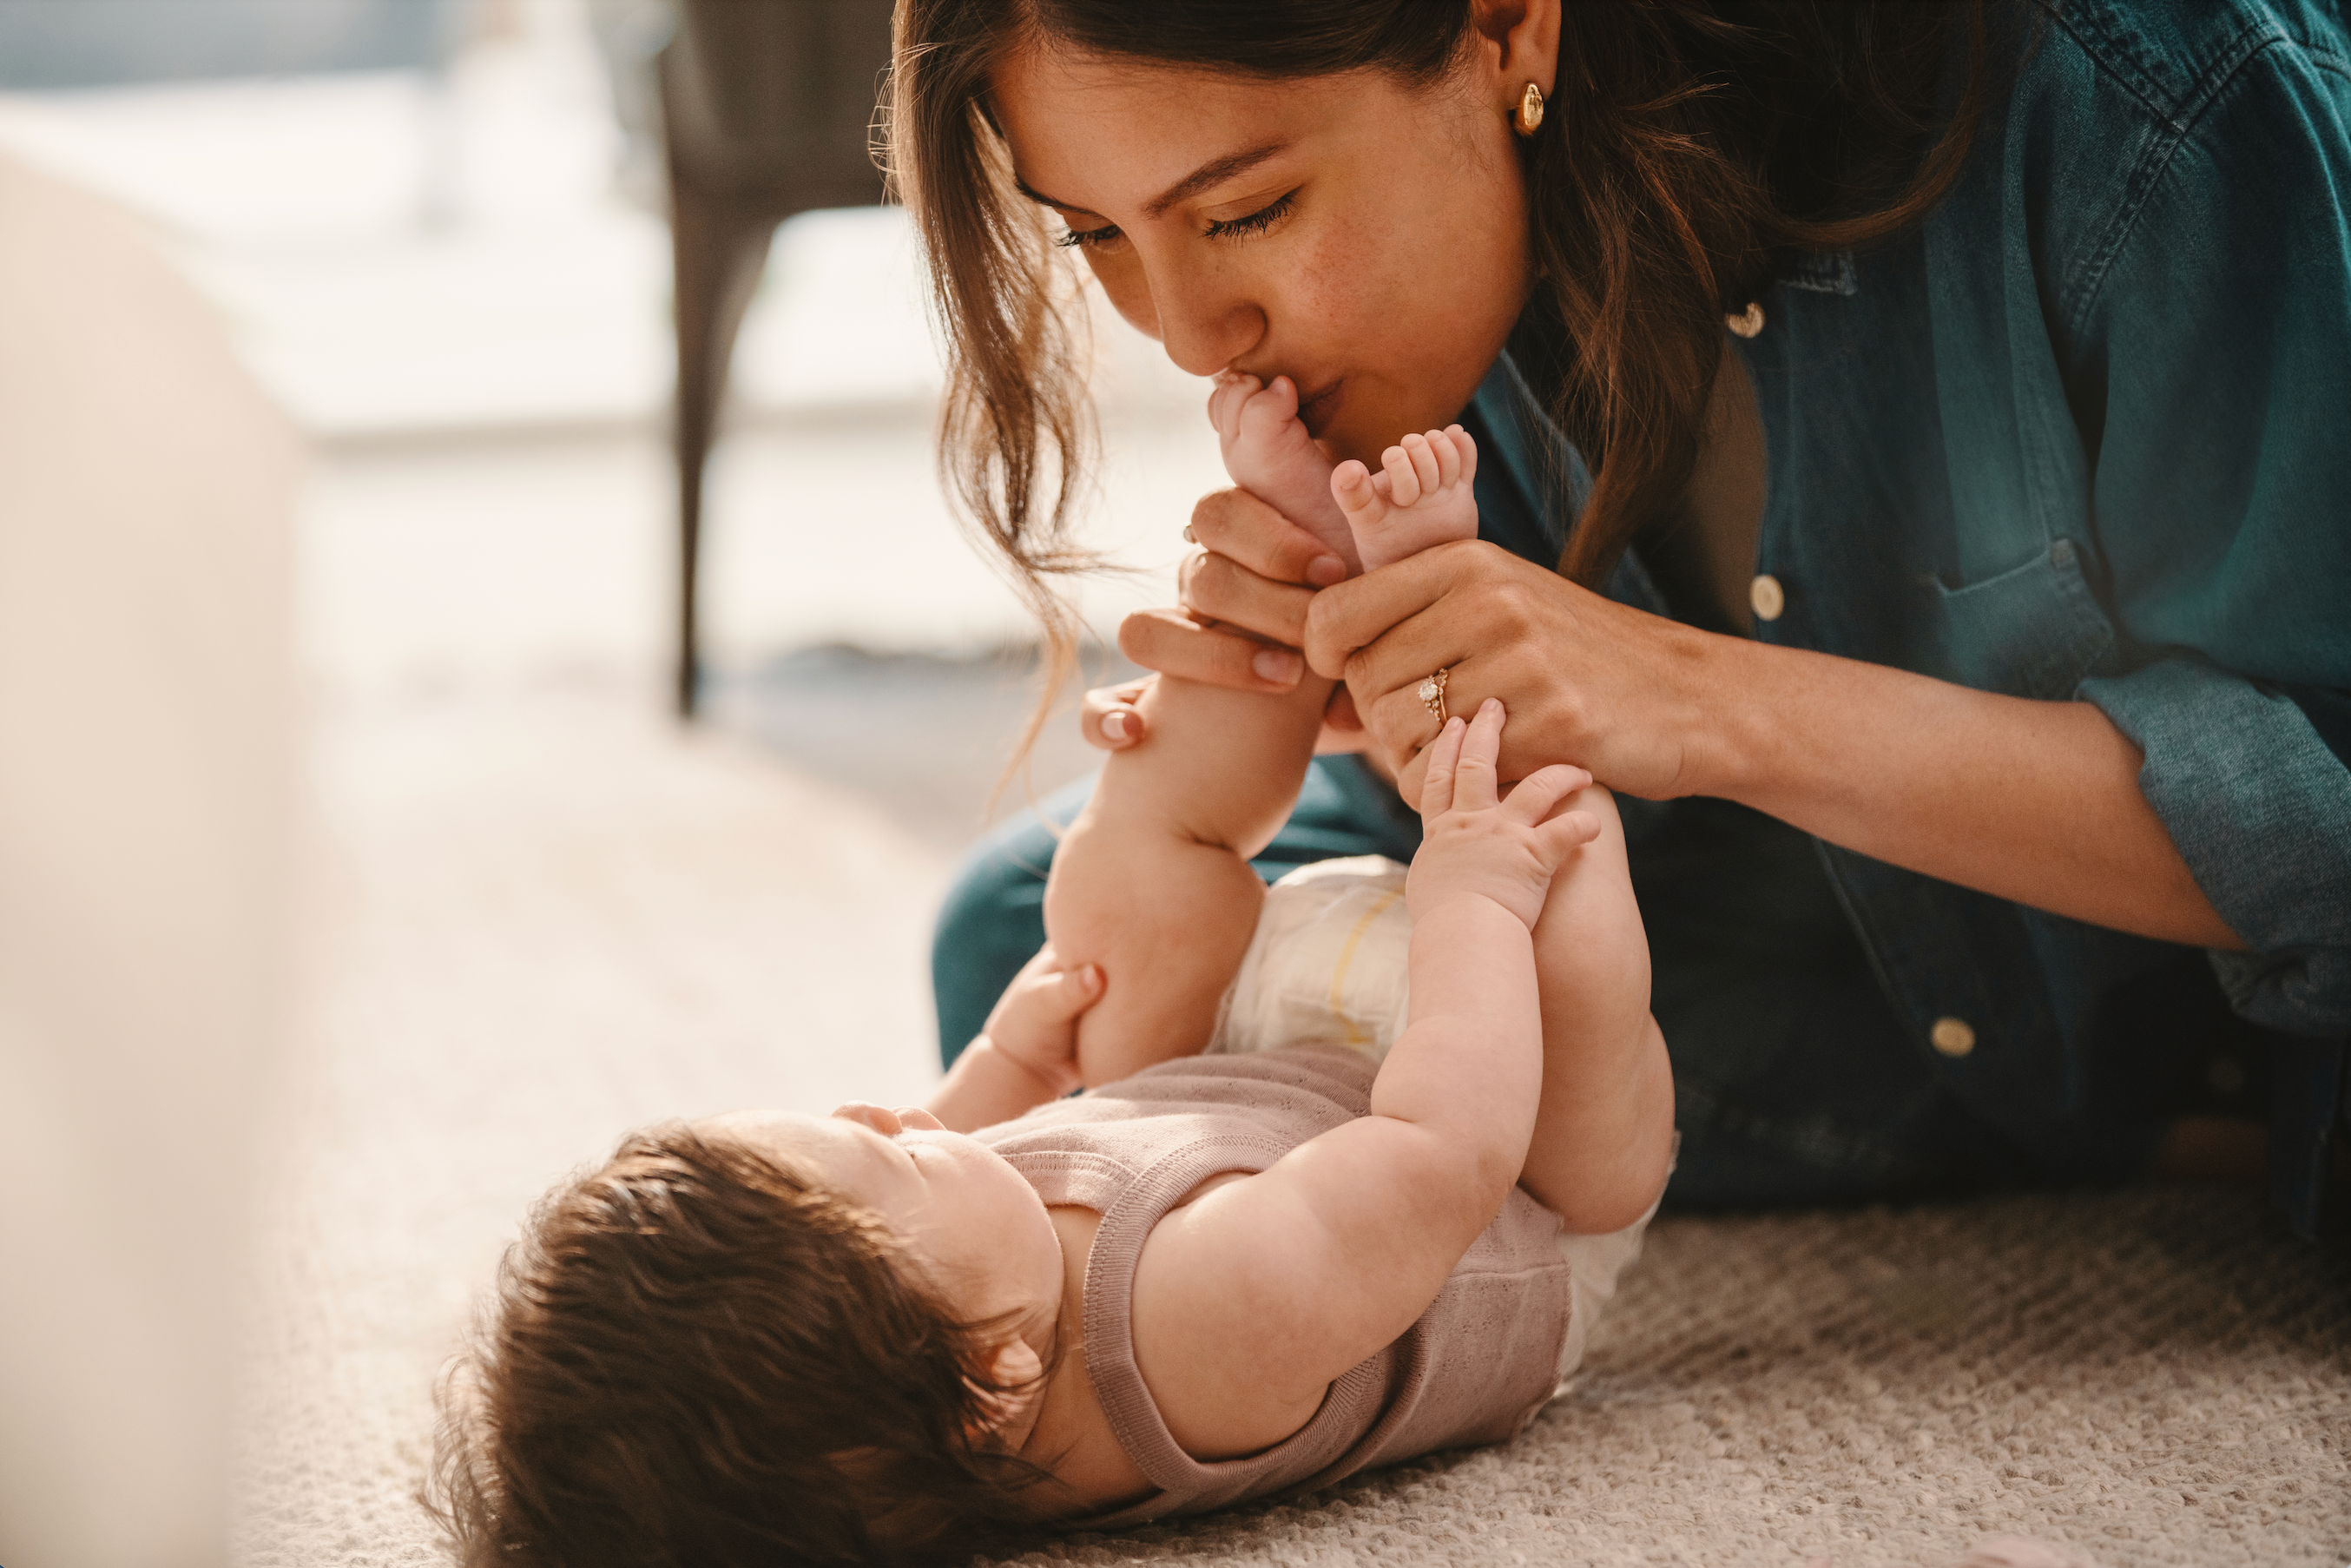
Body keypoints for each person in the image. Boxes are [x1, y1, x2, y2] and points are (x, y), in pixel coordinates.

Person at [909, 0, 2351, 1232]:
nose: (1186, 332)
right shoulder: (1491, 219)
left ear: (1505, 22)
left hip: (2175, 966)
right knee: (1046, 951)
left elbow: (2327, 811)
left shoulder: (2149, 96)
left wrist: (1678, 695)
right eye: (1097, 232)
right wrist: (1366, 683)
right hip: (1800, 923)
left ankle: (2182, 1119)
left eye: (1246, 212)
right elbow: (1551, 796)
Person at [433, 702, 1673, 1565]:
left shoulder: (955, 1306)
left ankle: (1248, 651)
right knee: (1570, 881)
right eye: (894, 1155)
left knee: (1114, 907)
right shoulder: (1215, 1317)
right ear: (997, 1385)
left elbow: (932, 1142)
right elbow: (1443, 1151)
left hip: (1265, 1090)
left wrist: (1012, 1064)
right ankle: (1486, 778)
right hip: (1506, 1181)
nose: (889, 1114)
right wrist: (1472, 896)